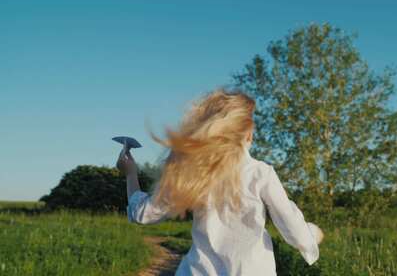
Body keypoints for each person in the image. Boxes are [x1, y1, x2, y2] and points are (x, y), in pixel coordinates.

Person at [116, 89, 324, 276]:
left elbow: (143, 214)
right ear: (248, 134)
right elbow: (290, 224)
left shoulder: (194, 172)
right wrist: (311, 236)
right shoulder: (260, 173)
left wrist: (130, 175)